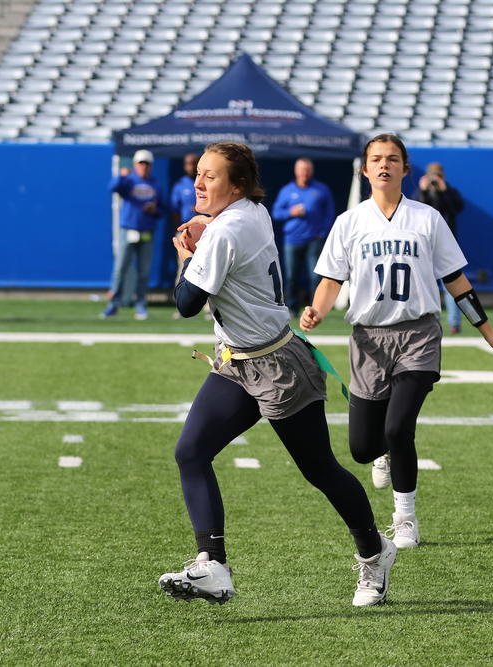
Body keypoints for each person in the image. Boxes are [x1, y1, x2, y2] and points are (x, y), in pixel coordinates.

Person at [159, 142, 394, 608]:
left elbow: (185, 304)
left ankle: (375, 551)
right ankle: (214, 566)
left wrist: (186, 253)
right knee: (191, 451)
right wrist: (207, 226)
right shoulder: (254, 211)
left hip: (275, 366)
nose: (198, 184)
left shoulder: (226, 230)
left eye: (211, 176)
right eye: (198, 174)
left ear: (238, 185)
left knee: (319, 469)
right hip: (237, 361)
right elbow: (229, 229)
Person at [300, 133, 493, 551]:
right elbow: (331, 281)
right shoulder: (349, 222)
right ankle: (382, 453)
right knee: (363, 449)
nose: (384, 165)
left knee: (399, 427)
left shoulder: (427, 218)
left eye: (393, 159)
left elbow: (457, 281)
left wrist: (489, 333)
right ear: (365, 169)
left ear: (405, 168)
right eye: (377, 159)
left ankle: (405, 518)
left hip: (418, 334)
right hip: (368, 340)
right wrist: (316, 311)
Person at [101, 149, 165, 320]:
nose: (144, 166)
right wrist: (122, 176)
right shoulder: (129, 181)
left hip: (146, 231)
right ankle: (113, 304)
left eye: (147, 163)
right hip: (128, 229)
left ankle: (141, 305)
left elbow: (162, 210)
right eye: (141, 163)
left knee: (144, 272)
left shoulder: (156, 185)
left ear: (151, 166)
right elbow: (112, 187)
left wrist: (154, 210)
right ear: (135, 165)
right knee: (120, 269)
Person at [271, 158, 336, 317]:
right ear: (296, 171)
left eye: (307, 169)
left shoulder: (321, 189)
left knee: (315, 276)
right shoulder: (287, 190)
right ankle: (292, 309)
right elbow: (276, 213)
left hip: (314, 239)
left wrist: (323, 233)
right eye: (302, 169)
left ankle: (315, 309)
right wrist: (290, 213)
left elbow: (330, 214)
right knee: (292, 276)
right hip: (292, 239)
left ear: (311, 171)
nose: (304, 173)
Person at [413, 162, 465, 334]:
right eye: (432, 175)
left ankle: (454, 323)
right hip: (424, 245)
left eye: (438, 176)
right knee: (424, 284)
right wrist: (423, 190)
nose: (435, 179)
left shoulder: (451, 192)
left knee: (452, 285)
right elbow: (416, 210)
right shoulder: (422, 192)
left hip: (446, 245)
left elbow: (457, 208)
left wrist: (444, 191)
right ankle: (427, 321)